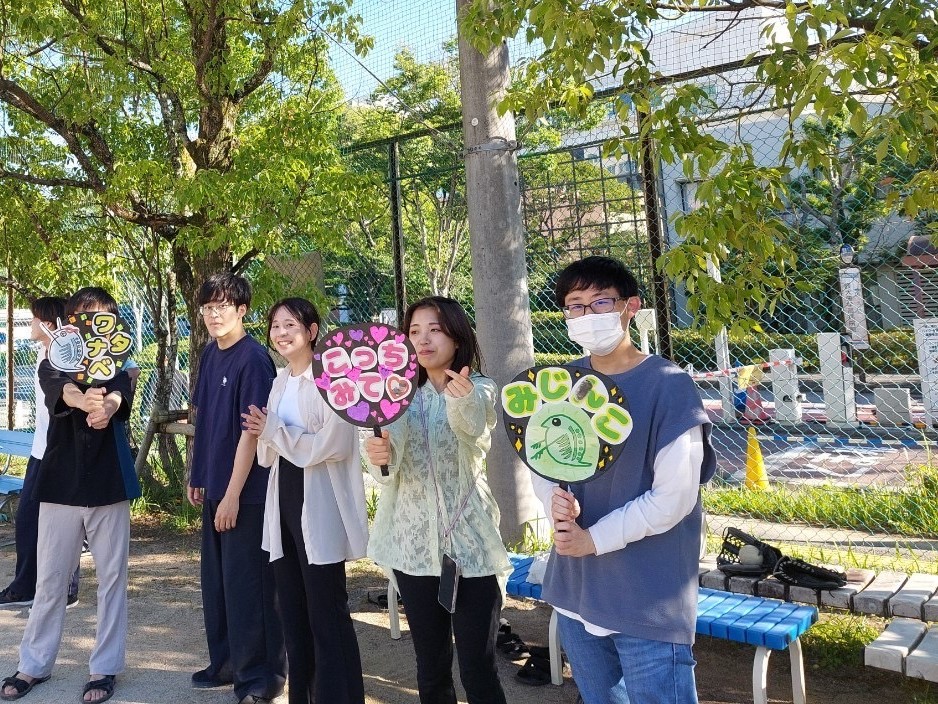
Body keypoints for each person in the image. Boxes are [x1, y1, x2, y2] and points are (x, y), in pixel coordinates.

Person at [530, 256, 716, 704]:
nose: (586, 315)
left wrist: (593, 539)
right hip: (576, 592)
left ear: (630, 307)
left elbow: (673, 498)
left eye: (600, 302)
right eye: (575, 305)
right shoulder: (562, 384)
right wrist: (556, 503)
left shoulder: (668, 385)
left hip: (646, 598)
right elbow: (542, 463)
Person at [364, 295, 511, 704]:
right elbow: (386, 470)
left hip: (471, 548)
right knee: (430, 668)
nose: (423, 339)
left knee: (478, 670)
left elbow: (473, 428)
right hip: (412, 548)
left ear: (457, 336)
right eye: (414, 331)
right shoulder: (395, 396)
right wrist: (378, 454)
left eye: (435, 329)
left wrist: (461, 398)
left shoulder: (479, 387)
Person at [1, 287, 140, 704]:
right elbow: (64, 391)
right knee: (50, 578)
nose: (91, 326)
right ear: (70, 322)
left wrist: (107, 407)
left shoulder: (119, 363)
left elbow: (119, 394)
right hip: (60, 483)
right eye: (83, 316)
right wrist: (85, 402)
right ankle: (33, 664)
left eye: (100, 317)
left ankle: (105, 668)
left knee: (112, 579)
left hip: (109, 484)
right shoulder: (53, 360)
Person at [242, 297, 368, 704]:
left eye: (291, 325)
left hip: (320, 499)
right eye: (275, 325)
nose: (281, 333)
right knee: (293, 610)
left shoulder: (334, 378)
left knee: (326, 610)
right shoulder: (280, 380)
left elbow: (335, 443)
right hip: (283, 497)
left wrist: (273, 430)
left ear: (312, 331)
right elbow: (268, 453)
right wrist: (269, 431)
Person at [187, 273, 285, 704]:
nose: (213, 314)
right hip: (215, 485)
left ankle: (261, 679)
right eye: (207, 307)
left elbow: (252, 433)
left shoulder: (254, 359)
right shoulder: (211, 353)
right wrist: (198, 474)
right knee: (219, 583)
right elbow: (203, 418)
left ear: (242, 309)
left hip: (247, 492)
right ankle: (226, 663)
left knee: (251, 586)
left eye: (222, 306)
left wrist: (231, 495)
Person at [0, 297, 80, 611]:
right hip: (40, 450)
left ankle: (64, 589)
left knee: (63, 523)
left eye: (34, 318)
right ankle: (26, 587)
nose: (30, 324)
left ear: (47, 323)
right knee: (29, 520)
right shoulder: (42, 352)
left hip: (59, 453)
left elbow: (126, 367)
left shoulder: (67, 354)